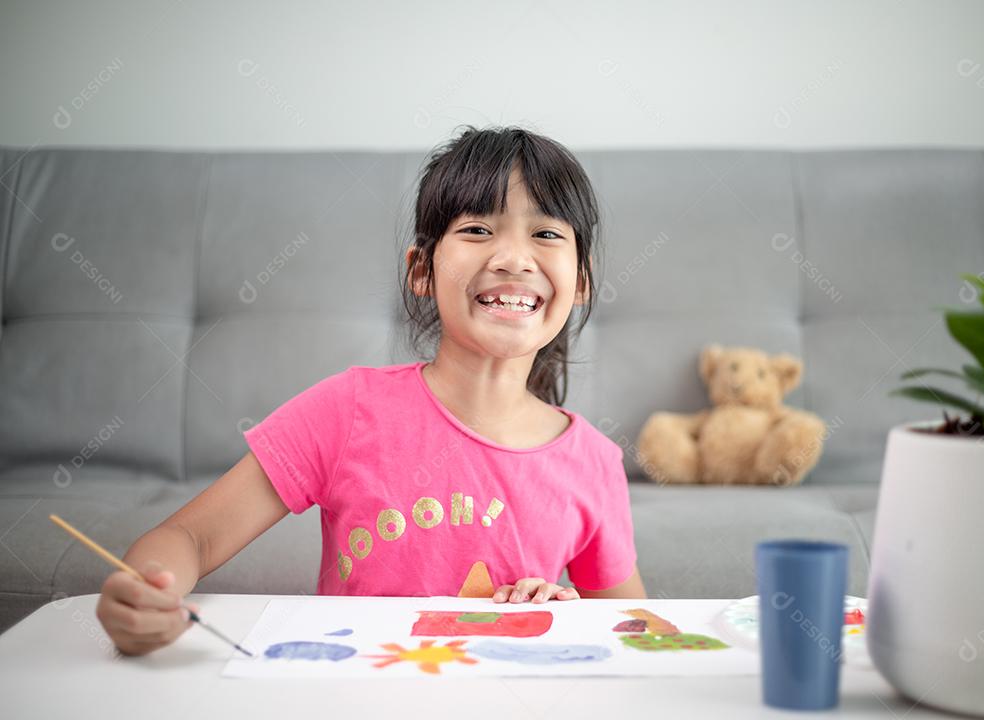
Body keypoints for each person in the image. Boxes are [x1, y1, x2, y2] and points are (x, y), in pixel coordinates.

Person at [96, 125, 646, 657]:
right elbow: (191, 537)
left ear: (581, 283)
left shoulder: (593, 460)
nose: (512, 258)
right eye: (478, 229)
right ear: (422, 271)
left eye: (546, 233)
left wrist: (564, 613)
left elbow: (634, 633)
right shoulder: (347, 410)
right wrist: (149, 588)